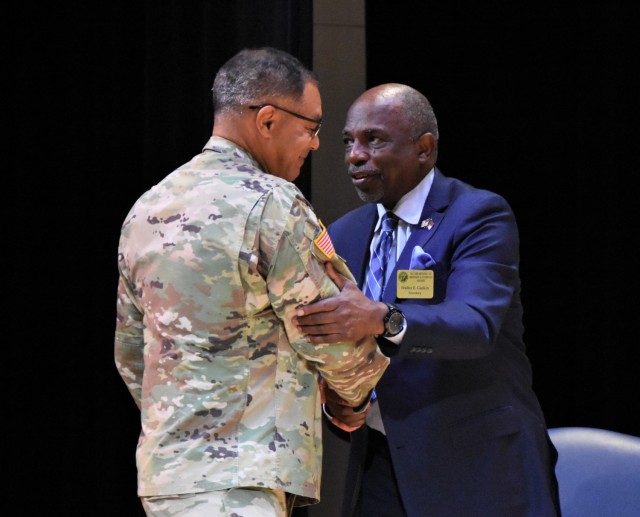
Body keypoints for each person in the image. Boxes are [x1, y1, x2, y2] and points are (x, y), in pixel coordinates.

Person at [114, 47, 389, 517]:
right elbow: (329, 326)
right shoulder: (274, 203)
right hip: (243, 478)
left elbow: (131, 355)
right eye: (311, 127)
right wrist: (354, 397)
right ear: (267, 121)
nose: (317, 144)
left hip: (166, 481)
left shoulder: (145, 209)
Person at [294, 83, 562, 516]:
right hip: (381, 462)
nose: (354, 155)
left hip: (478, 464)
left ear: (425, 148)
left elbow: (475, 325)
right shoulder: (342, 235)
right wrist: (339, 399)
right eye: (349, 142)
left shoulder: (476, 214)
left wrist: (384, 318)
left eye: (373, 139)